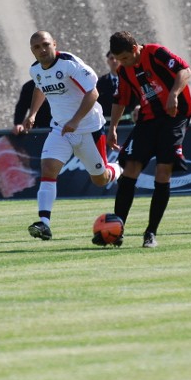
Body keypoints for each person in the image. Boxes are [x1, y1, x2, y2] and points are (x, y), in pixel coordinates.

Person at [20, 31, 122, 241]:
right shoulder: (35, 69)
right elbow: (40, 88)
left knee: (100, 180)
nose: (42, 49)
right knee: (48, 168)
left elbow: (92, 93)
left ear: (54, 44)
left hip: (88, 128)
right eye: (37, 47)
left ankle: (119, 168)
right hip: (59, 128)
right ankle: (44, 223)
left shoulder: (68, 63)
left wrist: (75, 121)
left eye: (46, 44)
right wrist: (33, 114)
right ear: (32, 50)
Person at [108, 31, 191, 249]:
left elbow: (185, 71)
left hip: (175, 117)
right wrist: (113, 128)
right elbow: (121, 100)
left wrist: (174, 94)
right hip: (147, 120)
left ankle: (151, 232)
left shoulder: (156, 53)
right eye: (119, 59)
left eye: (126, 57)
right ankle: (116, 230)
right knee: (130, 169)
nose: (123, 63)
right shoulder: (124, 70)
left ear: (135, 48)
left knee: (163, 171)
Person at [96, 51, 138, 124]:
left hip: (128, 123)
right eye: (111, 58)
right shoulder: (100, 82)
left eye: (116, 58)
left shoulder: (131, 79)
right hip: (107, 124)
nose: (114, 61)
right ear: (108, 61)